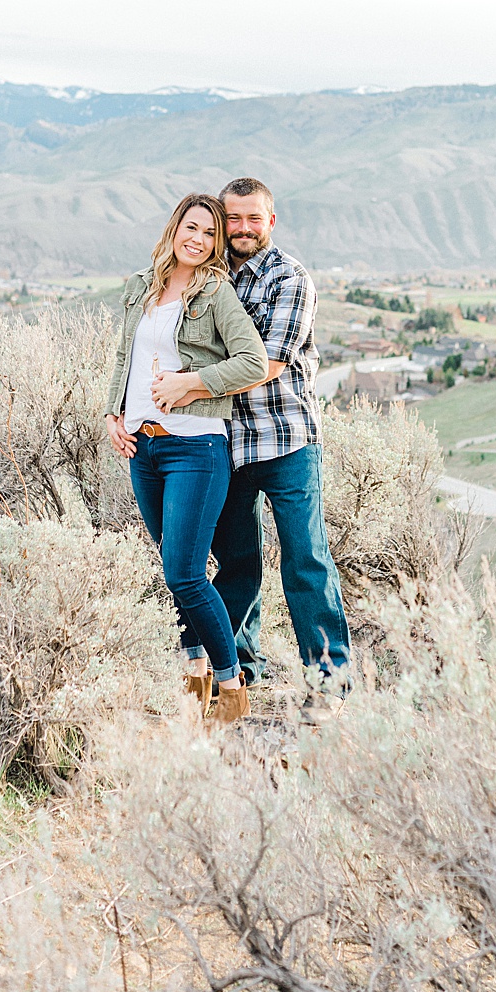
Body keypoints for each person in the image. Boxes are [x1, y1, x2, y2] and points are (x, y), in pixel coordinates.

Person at [150, 177, 351, 712]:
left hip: (286, 440)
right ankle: (239, 669)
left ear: (271, 221)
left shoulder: (290, 278)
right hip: (226, 445)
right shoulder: (209, 281)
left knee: (305, 559)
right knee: (237, 562)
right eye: (231, 219)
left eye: (251, 219)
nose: (241, 229)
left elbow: (269, 363)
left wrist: (190, 383)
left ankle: (328, 683)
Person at [104, 193, 269, 725]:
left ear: (217, 245)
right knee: (174, 568)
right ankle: (194, 670)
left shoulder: (216, 293)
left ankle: (229, 683)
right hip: (143, 446)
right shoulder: (140, 287)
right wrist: (114, 413)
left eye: (210, 234)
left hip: (196, 445)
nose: (197, 240)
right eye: (191, 228)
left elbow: (253, 361)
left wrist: (194, 383)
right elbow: (124, 356)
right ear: (175, 228)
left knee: (185, 574)